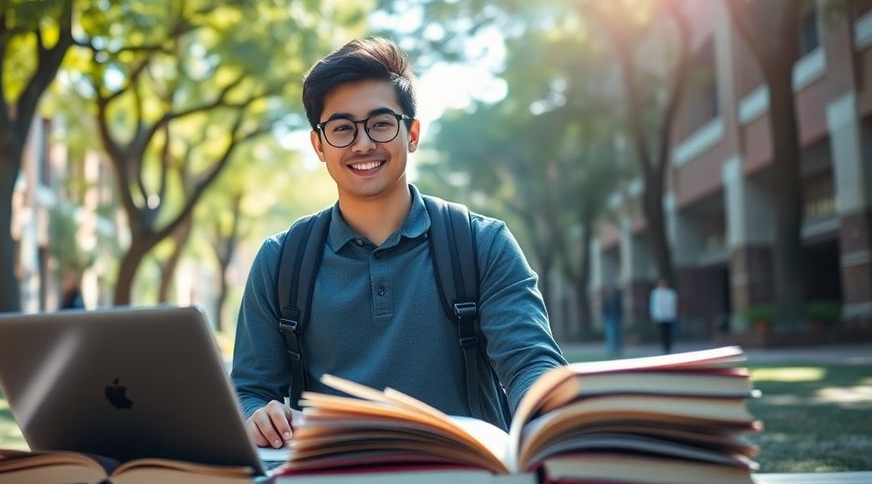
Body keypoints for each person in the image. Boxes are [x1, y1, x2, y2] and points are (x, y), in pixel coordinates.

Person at [230, 37, 566, 449]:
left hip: (465, 474)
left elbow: (531, 363)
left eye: (381, 123)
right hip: (328, 475)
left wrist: (546, 411)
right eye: (341, 128)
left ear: (413, 133)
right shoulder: (280, 260)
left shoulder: (483, 244)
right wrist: (258, 414)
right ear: (318, 145)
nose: (363, 143)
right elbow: (249, 391)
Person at [649, 278, 678, 354]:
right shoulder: (655, 293)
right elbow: (653, 304)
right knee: (662, 332)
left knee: (669, 332)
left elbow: (673, 304)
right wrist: (653, 314)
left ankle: (669, 347)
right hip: (660, 316)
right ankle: (664, 347)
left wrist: (674, 313)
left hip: (669, 315)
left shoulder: (671, 292)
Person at [601, 286, 623, 358]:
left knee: (617, 334)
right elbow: (603, 310)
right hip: (609, 319)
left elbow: (620, 309)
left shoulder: (616, 300)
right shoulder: (606, 301)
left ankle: (618, 349)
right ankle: (611, 349)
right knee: (610, 335)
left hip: (616, 318)